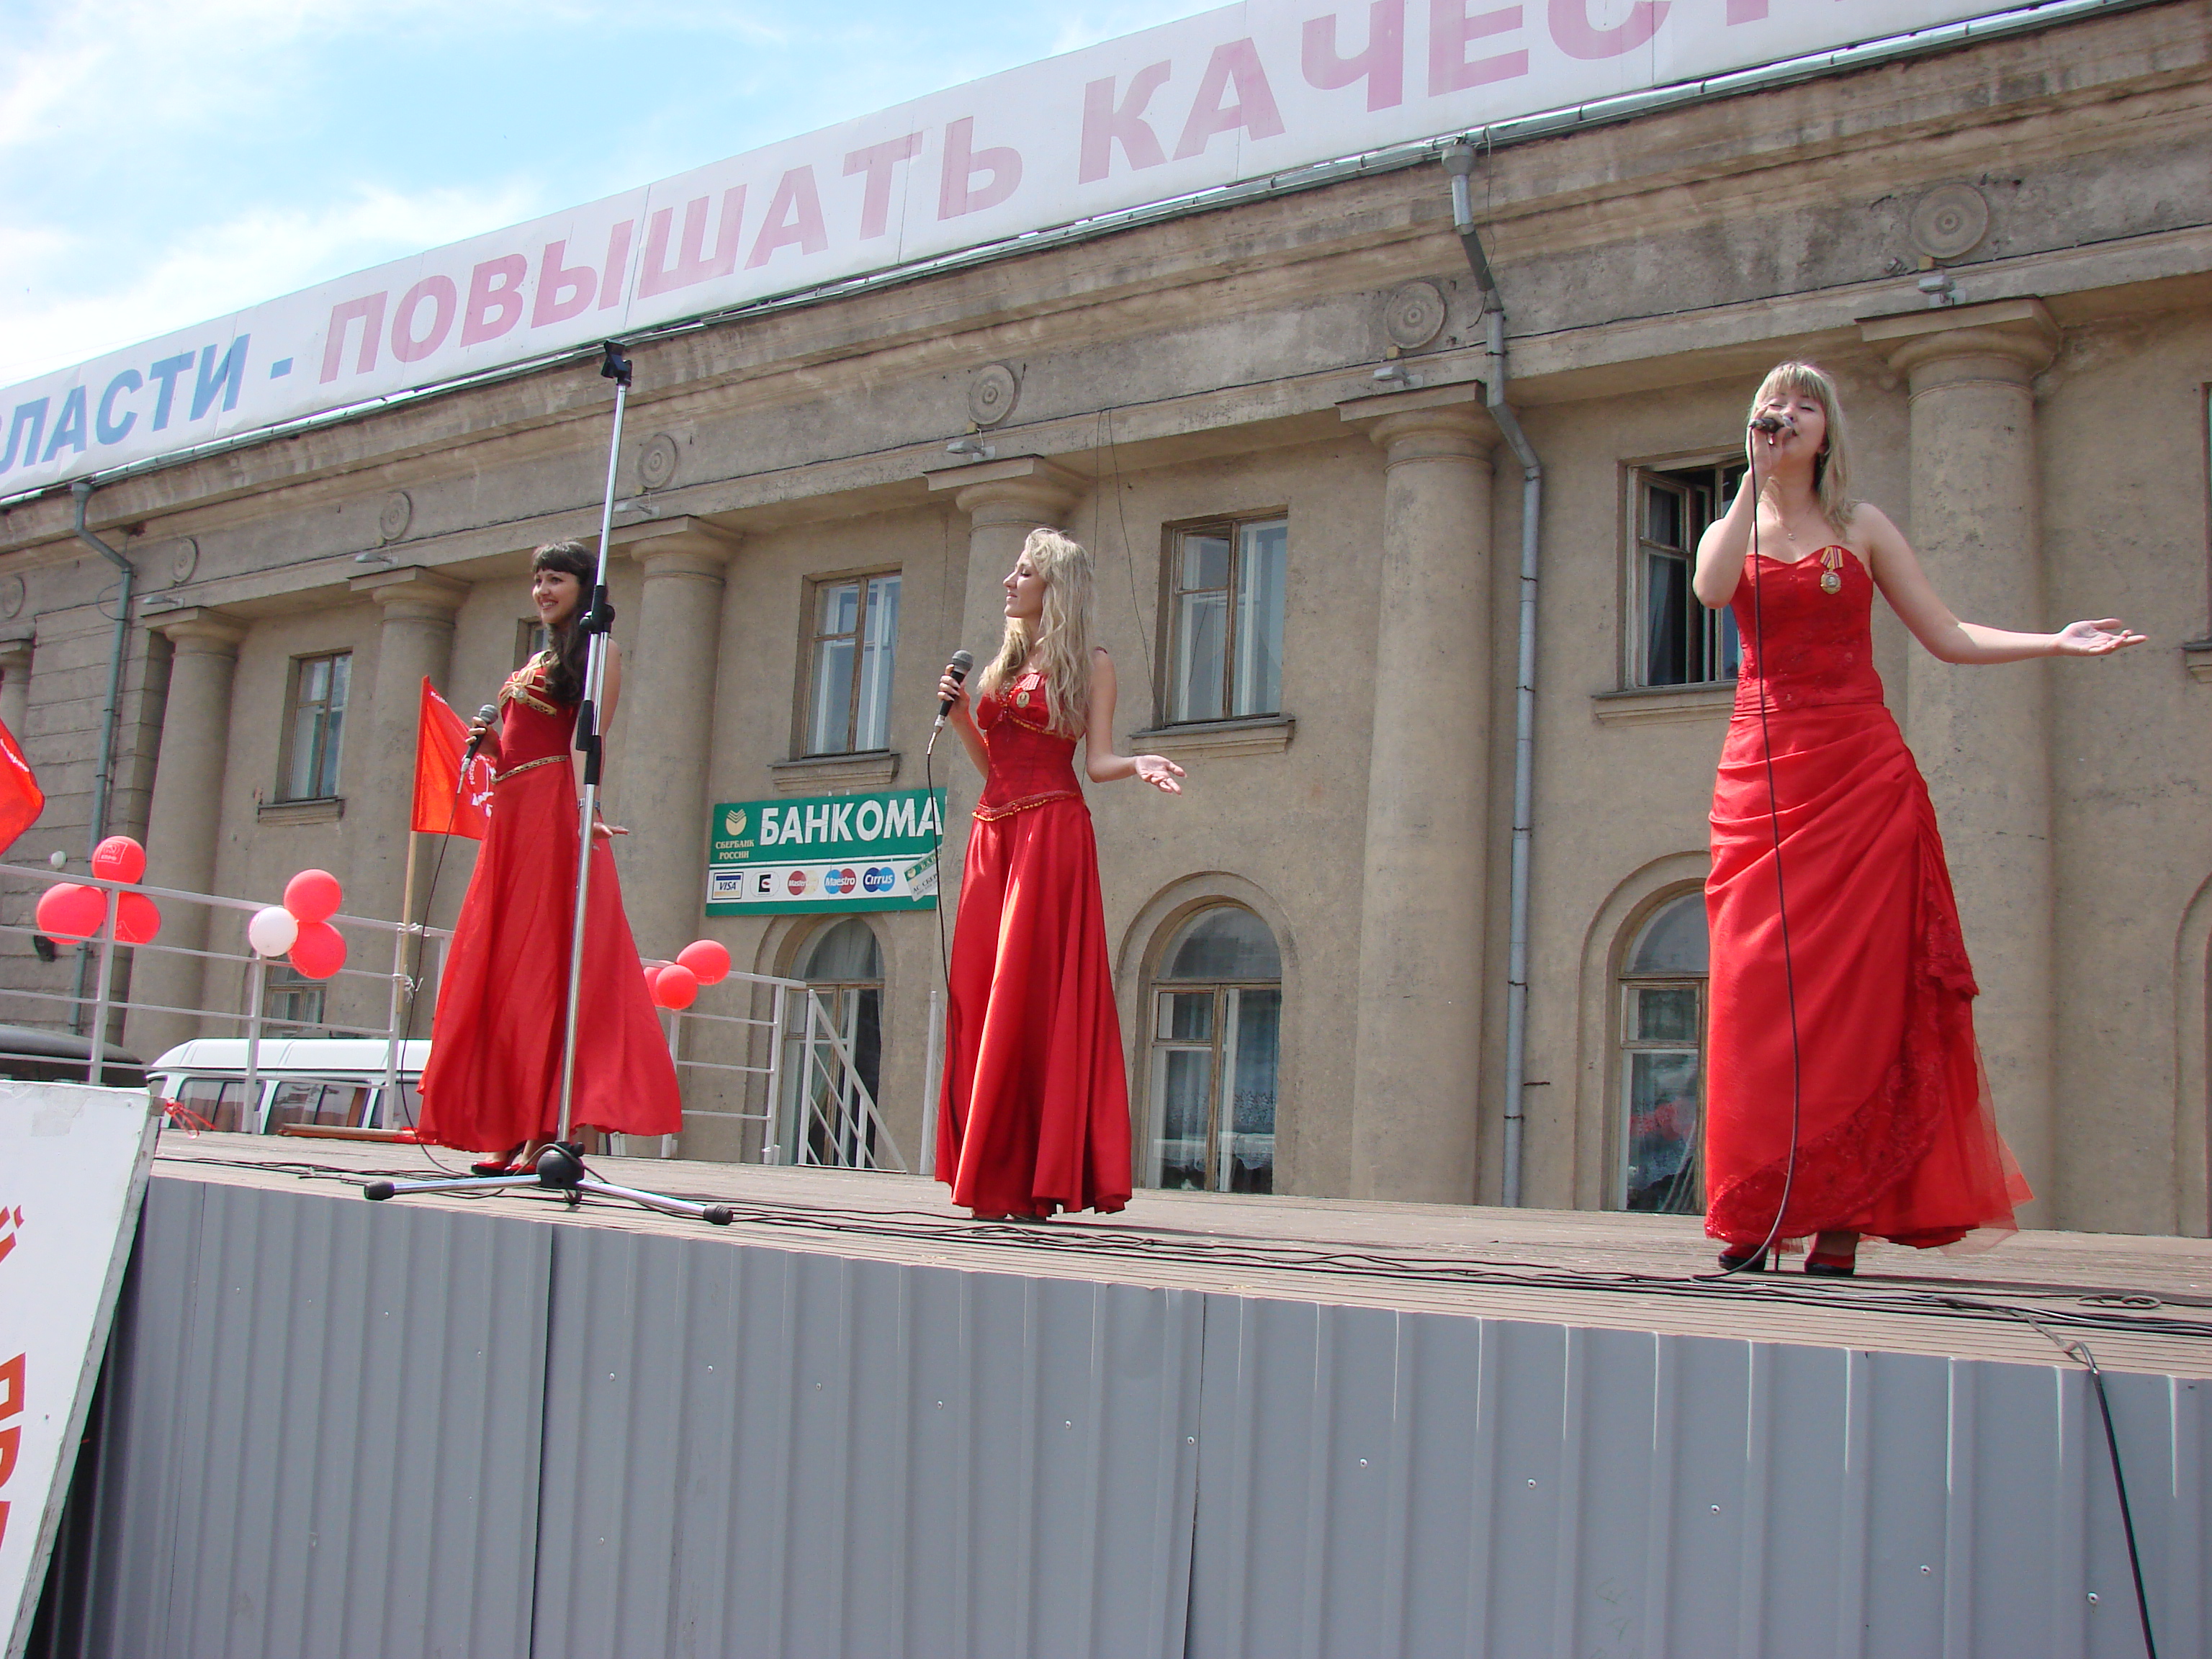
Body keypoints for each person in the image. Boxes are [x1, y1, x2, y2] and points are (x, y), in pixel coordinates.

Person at [1692, 363, 2143, 1276]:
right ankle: (1755, 1205)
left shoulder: (1860, 526)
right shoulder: (1732, 525)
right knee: (1755, 989)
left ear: (1830, 430)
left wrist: (2054, 641)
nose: (1790, 416)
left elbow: (1949, 635)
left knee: (1861, 995)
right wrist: (1751, 477)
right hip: (1763, 776)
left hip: (1860, 772)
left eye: (1808, 404)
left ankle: (1841, 1221)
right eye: (1775, 406)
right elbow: (1707, 591)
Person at [934, 528, 1185, 1220]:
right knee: (982, 993)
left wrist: (1140, 763)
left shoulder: (1089, 662)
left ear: (1055, 586)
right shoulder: (1001, 663)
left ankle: (1035, 1173)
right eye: (1012, 573)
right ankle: (993, 1165)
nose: (1008, 584)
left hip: (1052, 832)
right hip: (994, 833)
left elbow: (1095, 763)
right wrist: (960, 718)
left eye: (1023, 573)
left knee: (1030, 991)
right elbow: (994, 766)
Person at [415, 540, 682, 1169]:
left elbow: (590, 740)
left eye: (555, 579)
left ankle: (548, 1125)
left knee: (545, 967)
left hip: (549, 812)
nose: (542, 591)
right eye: (537, 580)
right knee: (504, 970)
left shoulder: (599, 652)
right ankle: (508, 1120)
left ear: (583, 587)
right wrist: (483, 747)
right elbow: (514, 749)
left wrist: (585, 810)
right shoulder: (537, 658)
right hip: (509, 817)